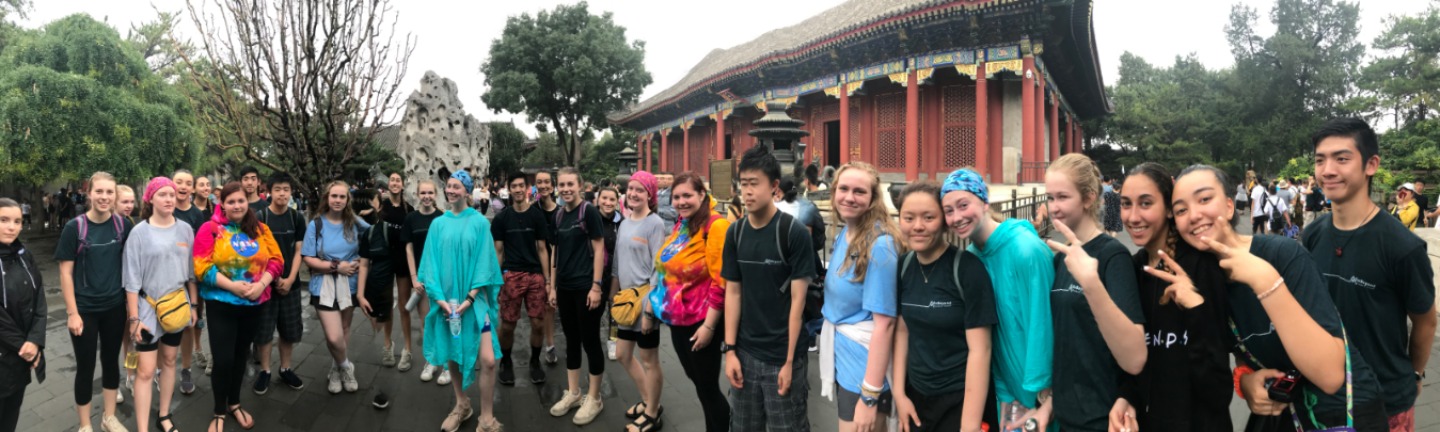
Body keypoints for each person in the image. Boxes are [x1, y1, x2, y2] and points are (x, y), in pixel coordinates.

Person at [1171, 165, 1387, 431]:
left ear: (1229, 207)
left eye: (1204, 199)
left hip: (1344, 412)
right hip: (1284, 411)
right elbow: (1240, 348)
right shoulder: (1204, 281)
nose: (1194, 215)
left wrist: (1266, 282)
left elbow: (1330, 376)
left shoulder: (1281, 254)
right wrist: (1244, 380)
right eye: (1181, 210)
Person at [1303, 117, 1436, 431]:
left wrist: (1414, 374)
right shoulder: (1313, 234)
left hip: (1386, 401)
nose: (1327, 170)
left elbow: (1426, 321)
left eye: (1342, 158)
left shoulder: (1401, 246)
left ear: (1371, 165)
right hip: (1323, 397)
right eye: (1320, 160)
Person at [1107, 163, 1232, 432]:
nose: (1133, 216)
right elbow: (1134, 354)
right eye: (1126, 204)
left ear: (1168, 209)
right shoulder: (1132, 268)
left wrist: (1195, 308)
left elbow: (1218, 386)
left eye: (1146, 203)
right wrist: (1127, 396)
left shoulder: (1201, 265)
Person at [939, 168, 1055, 432]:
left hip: (1040, 394)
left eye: (963, 205)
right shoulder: (972, 257)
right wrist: (1005, 394)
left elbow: (1044, 327)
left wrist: (1043, 398)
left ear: (984, 201)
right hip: (1006, 390)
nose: (957, 217)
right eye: (949, 211)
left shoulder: (1026, 250)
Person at [1041, 154, 1148, 431]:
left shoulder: (1113, 256)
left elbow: (1135, 357)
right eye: (1050, 198)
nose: (1054, 207)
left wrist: (1091, 283)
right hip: (1066, 416)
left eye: (1063, 197)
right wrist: (1050, 404)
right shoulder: (1061, 258)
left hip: (1103, 417)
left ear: (1088, 198)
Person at [723, 145, 817, 431]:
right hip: (745, 351)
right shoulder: (735, 232)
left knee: (786, 426)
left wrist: (789, 362)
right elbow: (733, 293)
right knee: (743, 426)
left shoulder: (793, 232)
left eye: (754, 184)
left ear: (774, 186)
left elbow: (798, 303)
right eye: (743, 184)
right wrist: (730, 351)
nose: (747, 192)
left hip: (782, 354)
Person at [891, 182, 996, 432]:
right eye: (909, 218)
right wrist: (899, 393)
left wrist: (969, 424)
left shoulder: (967, 269)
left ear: (944, 221)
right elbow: (903, 331)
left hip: (959, 399)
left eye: (929, 217)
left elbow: (981, 350)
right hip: (916, 397)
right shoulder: (903, 266)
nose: (918, 226)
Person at [418, 170, 505, 432]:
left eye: (457, 186)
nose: (451, 190)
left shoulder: (479, 223)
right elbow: (430, 264)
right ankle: (461, 404)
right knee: (453, 354)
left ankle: (487, 417)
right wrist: (439, 299)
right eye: (449, 186)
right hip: (449, 305)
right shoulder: (438, 224)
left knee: (488, 360)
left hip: (475, 304)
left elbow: (485, 262)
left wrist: (471, 296)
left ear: (467, 191)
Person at [193, 181, 282, 432]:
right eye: (230, 201)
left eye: (240, 200)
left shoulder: (261, 229)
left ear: (247, 201)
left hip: (253, 304)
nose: (236, 205)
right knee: (223, 360)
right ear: (222, 204)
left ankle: (234, 403)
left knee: (241, 356)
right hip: (221, 305)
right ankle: (219, 411)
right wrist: (232, 286)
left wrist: (262, 284)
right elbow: (201, 267)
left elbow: (277, 260)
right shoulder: (210, 229)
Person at [648, 171, 732, 432]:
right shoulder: (682, 224)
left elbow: (721, 282)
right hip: (678, 319)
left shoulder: (716, 226)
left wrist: (709, 327)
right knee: (698, 383)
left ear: (702, 195)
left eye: (687, 195)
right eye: (676, 197)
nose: (681, 202)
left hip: (701, 321)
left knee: (708, 388)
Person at [821, 161, 901, 431]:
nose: (849, 197)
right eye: (843, 189)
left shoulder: (880, 245)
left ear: (873, 198)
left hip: (864, 363)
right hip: (845, 354)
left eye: (859, 191)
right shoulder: (847, 230)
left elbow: (885, 324)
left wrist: (870, 395)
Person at [56, 172, 132, 432]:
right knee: (85, 367)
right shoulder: (74, 228)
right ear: (89, 193)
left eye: (109, 192)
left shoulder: (123, 226)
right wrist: (72, 313)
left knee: (111, 362)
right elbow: (65, 273)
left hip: (114, 308)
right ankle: (85, 424)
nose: (104, 197)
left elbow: (131, 265)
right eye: (99, 191)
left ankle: (109, 417)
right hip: (84, 310)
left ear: (115, 195)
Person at [123, 177, 198, 432]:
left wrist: (194, 306)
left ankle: (164, 415)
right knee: (145, 371)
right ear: (150, 199)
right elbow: (131, 280)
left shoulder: (185, 230)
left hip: (176, 307)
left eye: (172, 194)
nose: (169, 199)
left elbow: (191, 274)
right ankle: (142, 428)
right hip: (147, 310)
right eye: (162, 194)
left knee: (169, 361)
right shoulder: (139, 233)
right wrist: (134, 319)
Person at [546, 167, 609, 425]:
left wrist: (596, 286)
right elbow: (555, 252)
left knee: (590, 340)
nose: (566, 189)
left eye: (570, 184)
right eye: (561, 184)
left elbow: (599, 248)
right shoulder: (559, 215)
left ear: (580, 185)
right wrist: (552, 286)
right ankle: (573, 392)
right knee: (571, 339)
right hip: (565, 287)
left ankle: (594, 397)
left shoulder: (589, 212)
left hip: (586, 286)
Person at [609, 171, 669, 432]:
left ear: (650, 195)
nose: (633, 194)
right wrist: (613, 295)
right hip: (626, 302)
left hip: (645, 301)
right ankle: (649, 400)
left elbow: (658, 268)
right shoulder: (624, 222)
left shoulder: (655, 224)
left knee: (649, 359)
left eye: (640, 190)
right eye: (630, 188)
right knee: (623, 354)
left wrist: (649, 310)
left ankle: (652, 414)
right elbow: (617, 262)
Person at [302, 181, 370, 394]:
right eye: (334, 196)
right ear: (327, 198)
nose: (338, 200)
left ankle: (336, 369)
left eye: (342, 197)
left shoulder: (354, 223)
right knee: (333, 335)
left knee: (345, 329)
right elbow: (308, 257)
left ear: (348, 200)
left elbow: (372, 238)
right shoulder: (316, 224)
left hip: (349, 282)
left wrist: (361, 260)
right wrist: (335, 266)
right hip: (324, 283)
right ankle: (346, 366)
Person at [491, 173, 552, 386]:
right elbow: (498, 251)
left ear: (527, 188)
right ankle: (506, 361)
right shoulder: (501, 218)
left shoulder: (537, 216)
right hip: (511, 274)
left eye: (521, 186)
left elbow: (542, 249)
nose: (517, 190)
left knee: (538, 323)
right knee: (508, 325)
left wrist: (547, 280)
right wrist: (496, 280)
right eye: (514, 186)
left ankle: (535, 361)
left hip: (535, 275)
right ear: (509, 189)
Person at [252, 173, 306, 395]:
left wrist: (291, 278)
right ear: (269, 192)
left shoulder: (296, 218)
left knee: (289, 330)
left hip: (291, 285)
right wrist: (272, 279)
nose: (282, 194)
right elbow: (257, 252)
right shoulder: (261, 216)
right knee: (264, 331)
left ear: (291, 192)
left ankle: (285, 368)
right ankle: (265, 370)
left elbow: (299, 251)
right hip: (266, 286)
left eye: (286, 189)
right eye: (277, 189)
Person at [0, 198, 46, 432]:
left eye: (17, 221)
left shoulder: (24, 255)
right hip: (10, 351)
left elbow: (39, 297)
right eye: (4, 220)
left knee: (11, 415)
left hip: (21, 358)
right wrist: (25, 345)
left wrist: (35, 339)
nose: (12, 227)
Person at [403, 180, 443, 380]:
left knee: (444, 320)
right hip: (421, 278)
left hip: (440, 277)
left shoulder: (441, 217)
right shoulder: (411, 218)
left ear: (435, 194)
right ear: (417, 195)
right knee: (426, 321)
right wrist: (414, 278)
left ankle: (446, 363)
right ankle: (431, 360)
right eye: (423, 193)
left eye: (430, 192)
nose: (427, 196)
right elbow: (409, 248)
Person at [378, 172, 414, 368]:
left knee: (403, 305)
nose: (394, 183)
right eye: (392, 180)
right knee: (386, 304)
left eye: (398, 180)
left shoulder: (409, 209)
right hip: (384, 260)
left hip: (402, 261)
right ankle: (387, 344)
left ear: (402, 184)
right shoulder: (380, 207)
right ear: (388, 184)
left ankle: (407, 348)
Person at [188, 175, 215, 378]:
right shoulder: (189, 211)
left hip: (213, 268)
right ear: (194, 189)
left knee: (214, 313)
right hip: (193, 269)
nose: (205, 188)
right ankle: (197, 348)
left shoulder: (216, 210)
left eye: (208, 184)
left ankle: (214, 355)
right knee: (197, 312)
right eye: (201, 184)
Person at [534, 171, 561, 365]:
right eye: (539, 182)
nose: (543, 186)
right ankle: (550, 345)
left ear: (552, 186)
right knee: (548, 307)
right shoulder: (533, 211)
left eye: (546, 182)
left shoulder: (561, 212)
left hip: (561, 263)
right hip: (539, 264)